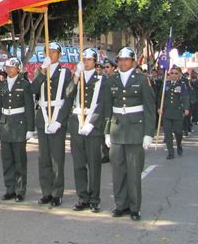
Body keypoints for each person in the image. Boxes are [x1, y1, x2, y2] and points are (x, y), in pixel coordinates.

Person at [104, 47, 156, 221]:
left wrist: (149, 133)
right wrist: (106, 132)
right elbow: (107, 109)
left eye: (126, 59)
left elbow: (150, 109)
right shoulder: (112, 80)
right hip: (116, 130)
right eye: (120, 60)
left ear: (133, 61)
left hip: (135, 131)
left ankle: (135, 207)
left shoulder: (142, 80)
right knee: (118, 172)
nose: (123, 62)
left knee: (134, 172)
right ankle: (121, 205)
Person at [31, 42, 73, 207]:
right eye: (47, 51)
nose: (50, 54)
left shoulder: (65, 72)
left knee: (57, 158)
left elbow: (68, 97)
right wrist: (42, 71)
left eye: (54, 52)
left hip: (57, 117)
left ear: (60, 55)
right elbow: (33, 90)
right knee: (44, 159)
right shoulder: (39, 70)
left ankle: (57, 192)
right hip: (42, 118)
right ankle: (46, 192)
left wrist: (60, 120)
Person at [66, 48, 107, 213]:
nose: (86, 61)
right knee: (78, 164)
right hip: (77, 123)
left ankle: (94, 199)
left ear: (95, 61)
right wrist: (76, 75)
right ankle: (82, 197)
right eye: (84, 59)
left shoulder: (102, 80)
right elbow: (68, 94)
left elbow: (103, 104)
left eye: (89, 59)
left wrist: (93, 123)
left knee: (94, 164)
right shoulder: (78, 77)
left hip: (92, 126)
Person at [0, 58, 35, 202]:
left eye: (12, 67)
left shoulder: (24, 85)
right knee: (7, 160)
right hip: (5, 124)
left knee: (19, 160)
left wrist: (30, 128)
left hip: (19, 125)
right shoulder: (2, 84)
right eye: (7, 67)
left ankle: (20, 190)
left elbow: (29, 107)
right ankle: (9, 189)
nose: (9, 69)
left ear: (18, 69)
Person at [158, 66, 190, 159]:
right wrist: (159, 107)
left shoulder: (182, 85)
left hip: (177, 112)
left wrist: (186, 108)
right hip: (167, 112)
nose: (174, 75)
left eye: (176, 73)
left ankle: (179, 144)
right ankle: (170, 152)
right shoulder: (165, 84)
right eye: (172, 73)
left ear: (179, 74)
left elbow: (185, 97)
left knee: (178, 132)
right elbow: (160, 97)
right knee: (167, 133)